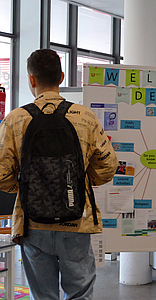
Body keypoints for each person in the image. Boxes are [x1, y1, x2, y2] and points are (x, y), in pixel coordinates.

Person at [0, 49, 118, 299]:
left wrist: (24, 187)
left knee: (43, 295)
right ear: (62, 77)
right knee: (80, 292)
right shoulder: (84, 117)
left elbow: (1, 173)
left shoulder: (15, 119)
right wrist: (82, 181)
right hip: (76, 221)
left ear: (32, 80)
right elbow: (108, 165)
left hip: (32, 222)